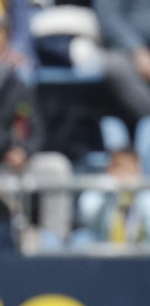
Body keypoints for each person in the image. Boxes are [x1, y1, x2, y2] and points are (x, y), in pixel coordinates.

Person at [1, 18, 73, 244]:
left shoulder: (17, 84)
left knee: (55, 167)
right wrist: (6, 147)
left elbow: (37, 130)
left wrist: (24, 150)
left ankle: (54, 241)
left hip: (15, 163)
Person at [78, 148, 150, 246]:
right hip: (104, 253)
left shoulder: (149, 195)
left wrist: (140, 194)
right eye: (119, 167)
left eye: (129, 168)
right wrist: (105, 193)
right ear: (109, 169)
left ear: (138, 170)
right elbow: (89, 222)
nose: (124, 174)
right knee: (81, 239)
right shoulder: (98, 191)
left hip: (142, 255)